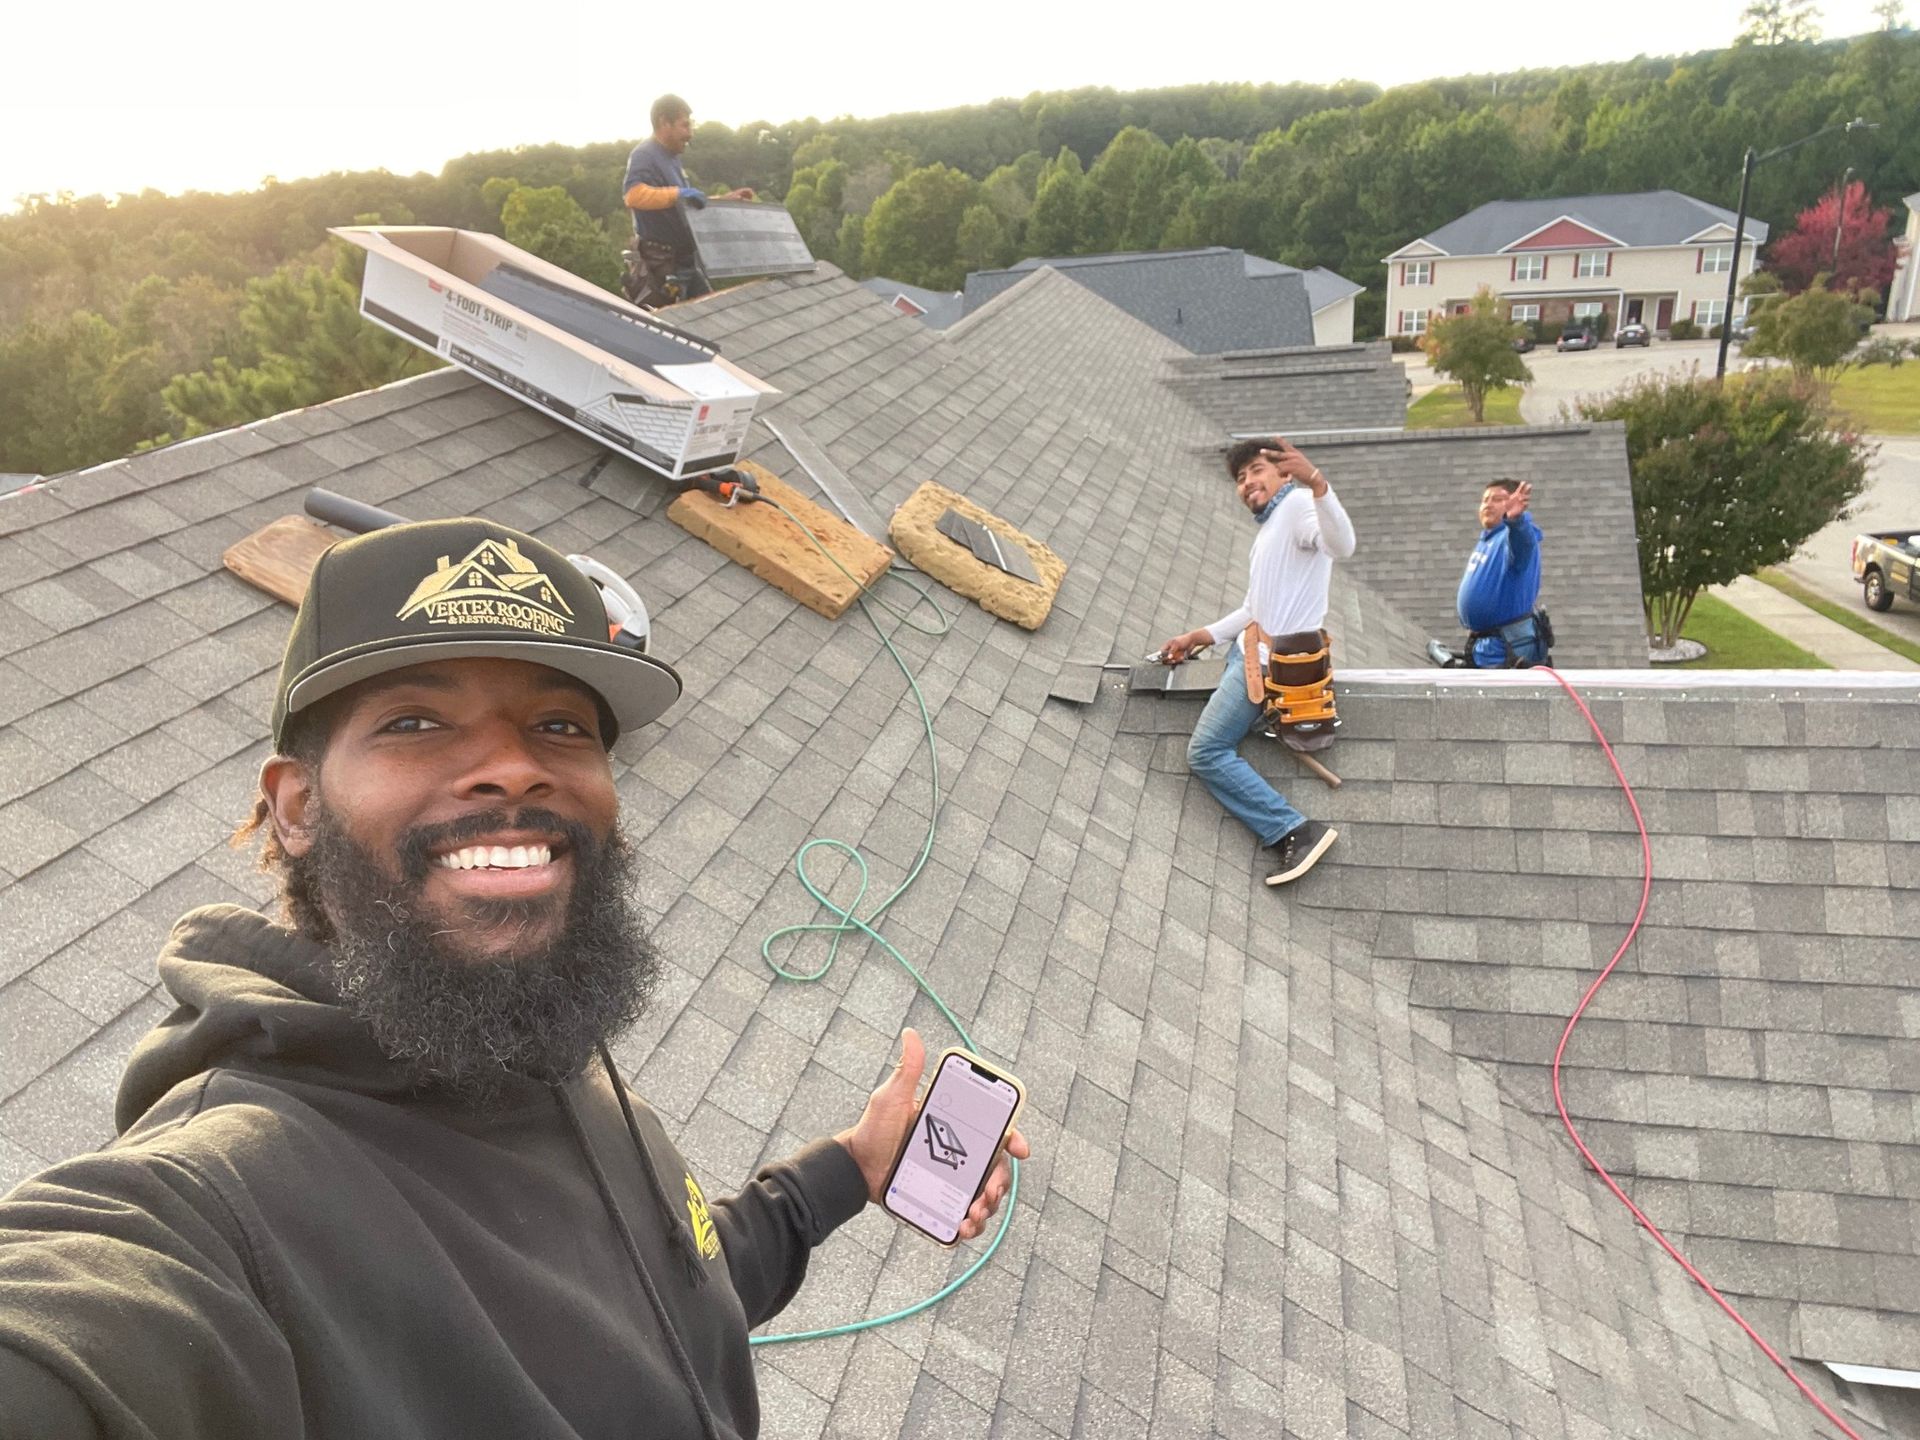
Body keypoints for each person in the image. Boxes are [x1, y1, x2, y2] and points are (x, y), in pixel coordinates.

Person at [0, 517, 1027, 1439]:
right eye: (415, 720)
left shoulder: (533, 1056)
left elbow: (670, 1292)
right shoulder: (225, 1204)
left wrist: (852, 1169)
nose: (515, 766)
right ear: (297, 807)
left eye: (560, 726)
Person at [1157, 438, 1356, 887]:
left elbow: (1342, 546)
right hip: (1248, 654)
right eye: (1240, 478)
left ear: (1285, 472)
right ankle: (1263, 725)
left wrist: (1318, 483)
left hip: (1269, 667)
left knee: (1206, 752)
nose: (1247, 482)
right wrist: (1200, 636)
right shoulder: (1271, 528)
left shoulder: (1301, 505)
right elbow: (1255, 608)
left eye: (1256, 470)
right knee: (1219, 733)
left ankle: (1295, 831)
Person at [623, 94, 755, 307]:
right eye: (684, 126)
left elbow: (686, 202)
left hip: (685, 263)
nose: (689, 134)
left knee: (713, 313)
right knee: (676, 329)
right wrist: (678, 193)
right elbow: (633, 195)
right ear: (664, 122)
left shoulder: (671, 158)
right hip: (663, 266)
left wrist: (723, 200)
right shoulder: (645, 154)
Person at [1433, 479, 1550, 668]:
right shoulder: (1489, 539)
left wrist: (1516, 520)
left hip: (1506, 649)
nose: (1488, 503)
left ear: (1513, 503)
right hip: (1485, 647)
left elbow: (1523, 543)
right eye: (1485, 499)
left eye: (1497, 499)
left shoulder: (1511, 536)